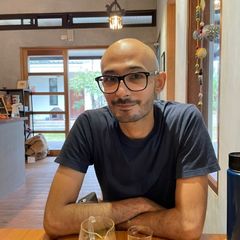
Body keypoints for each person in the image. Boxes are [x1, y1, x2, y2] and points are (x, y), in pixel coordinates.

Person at [44, 38, 220, 239]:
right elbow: (54, 219)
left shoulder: (185, 121)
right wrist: (139, 205)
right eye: (110, 79)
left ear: (159, 82)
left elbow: (188, 226)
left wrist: (115, 220)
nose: (121, 92)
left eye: (136, 76)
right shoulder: (90, 125)